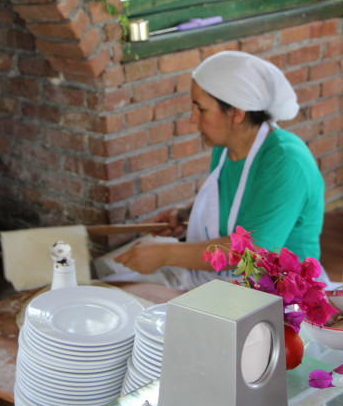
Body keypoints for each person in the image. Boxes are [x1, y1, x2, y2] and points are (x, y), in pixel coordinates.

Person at [104, 51, 329, 291]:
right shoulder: (226, 146)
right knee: (110, 282)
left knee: (126, 295)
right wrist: (187, 213)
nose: (193, 119)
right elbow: (239, 199)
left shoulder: (286, 162)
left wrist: (167, 253)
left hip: (281, 291)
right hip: (230, 278)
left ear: (236, 113)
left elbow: (252, 253)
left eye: (201, 109)